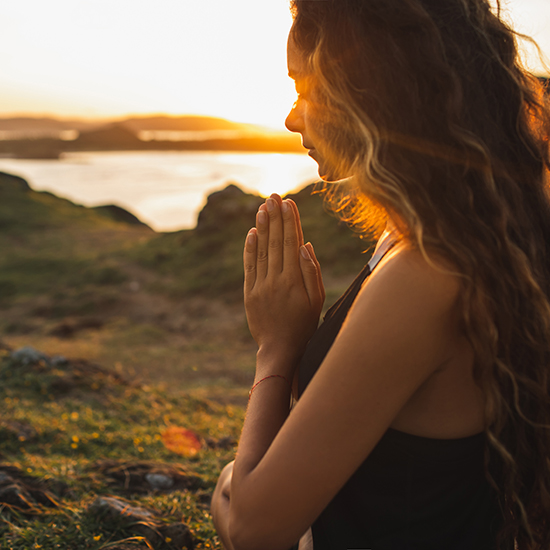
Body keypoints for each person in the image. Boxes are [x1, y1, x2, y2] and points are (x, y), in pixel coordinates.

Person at [210, 0, 550, 549]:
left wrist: (276, 349)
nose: (292, 118)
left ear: (370, 91)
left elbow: (253, 528)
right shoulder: (435, 241)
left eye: (304, 89)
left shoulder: (427, 274)